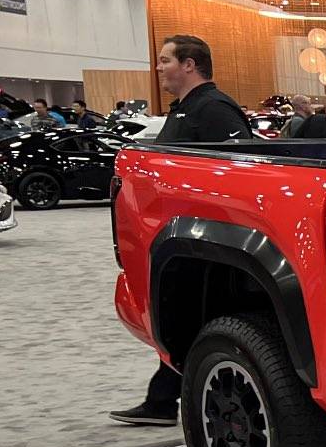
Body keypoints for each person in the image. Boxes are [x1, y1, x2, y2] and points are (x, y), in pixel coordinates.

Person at [108, 35, 253, 426]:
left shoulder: (214, 109)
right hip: (181, 237)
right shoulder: (184, 111)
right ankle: (162, 400)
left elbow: (241, 168)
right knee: (182, 315)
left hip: (211, 239)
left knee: (195, 317)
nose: (158, 67)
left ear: (189, 64)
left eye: (165, 60)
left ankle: (172, 401)